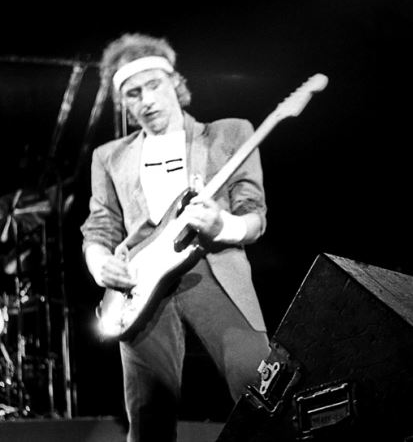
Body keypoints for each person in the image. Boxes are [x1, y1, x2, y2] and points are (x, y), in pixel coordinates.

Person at [80, 33, 271, 441]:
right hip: (140, 289)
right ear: (123, 102)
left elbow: (254, 216)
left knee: (261, 390)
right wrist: (101, 265)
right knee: (148, 416)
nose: (146, 100)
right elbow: (100, 226)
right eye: (133, 94)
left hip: (213, 270)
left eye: (154, 85)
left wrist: (222, 225)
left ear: (175, 83)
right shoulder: (108, 156)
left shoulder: (230, 133)